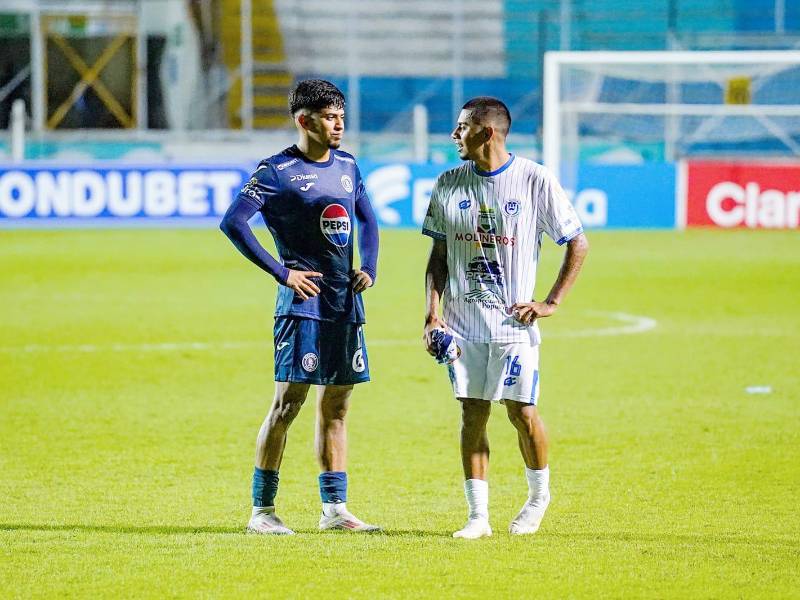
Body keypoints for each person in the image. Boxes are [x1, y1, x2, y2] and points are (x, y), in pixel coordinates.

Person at [422, 97, 589, 539]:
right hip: (462, 325)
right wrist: (431, 315)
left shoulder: (534, 179)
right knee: (472, 414)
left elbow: (577, 242)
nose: (454, 135)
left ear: (486, 132)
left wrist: (550, 302)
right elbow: (438, 254)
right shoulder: (447, 184)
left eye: (461, 127)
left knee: (522, 411)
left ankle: (538, 497)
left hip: (514, 327)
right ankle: (478, 517)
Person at [220, 79, 380, 535]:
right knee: (288, 404)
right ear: (304, 120)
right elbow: (233, 223)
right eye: (331, 118)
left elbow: (367, 218)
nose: (339, 125)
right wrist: (281, 271)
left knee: (338, 406)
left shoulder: (348, 166)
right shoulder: (276, 171)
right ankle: (262, 512)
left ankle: (335, 509)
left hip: (343, 304)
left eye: (342, 117)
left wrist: (368, 265)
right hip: (301, 305)